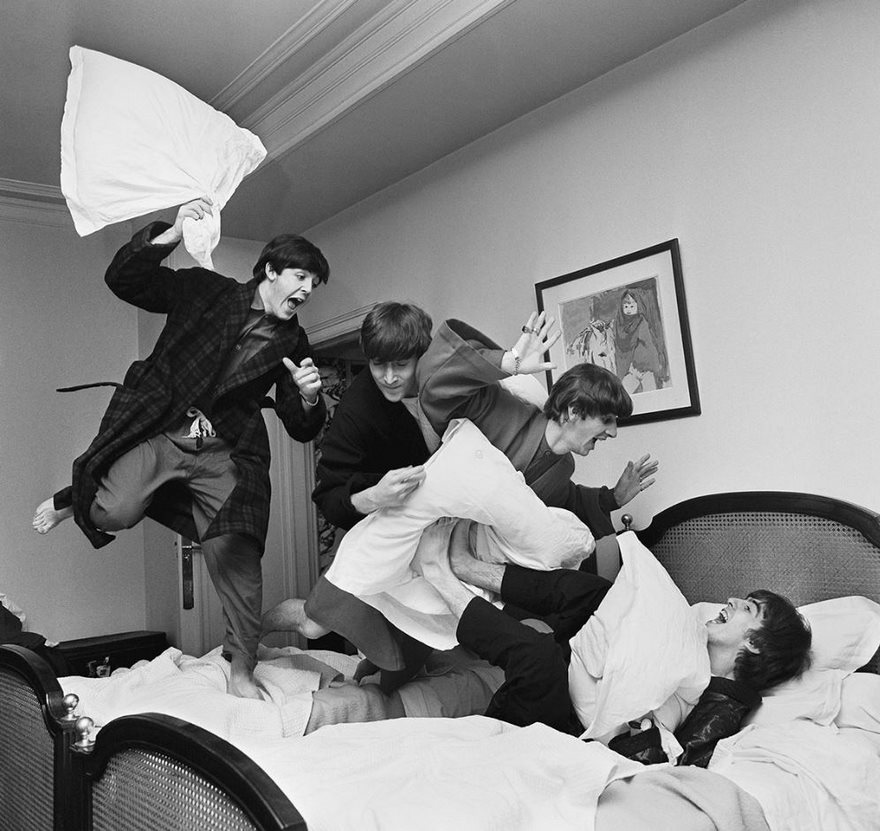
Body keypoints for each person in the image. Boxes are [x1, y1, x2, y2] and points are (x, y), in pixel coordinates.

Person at [31, 198, 329, 699]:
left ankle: (241, 667)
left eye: (313, 286)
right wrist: (167, 237)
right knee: (114, 512)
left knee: (236, 553)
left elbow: (301, 428)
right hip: (167, 425)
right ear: (270, 270)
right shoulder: (206, 291)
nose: (306, 290)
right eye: (300, 277)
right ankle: (74, 497)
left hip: (221, 446)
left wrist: (308, 396)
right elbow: (125, 281)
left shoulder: (295, 344)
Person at [423, 520, 812, 764]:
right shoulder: (688, 640)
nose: (729, 601)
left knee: (537, 657)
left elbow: (658, 760)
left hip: (571, 729)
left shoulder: (722, 705)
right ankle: (468, 568)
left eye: (747, 607)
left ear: (757, 642)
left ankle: (440, 576)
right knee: (596, 593)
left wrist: (631, 724)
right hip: (584, 673)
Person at [264, 302, 439, 687]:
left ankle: (372, 676)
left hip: (429, 535)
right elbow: (328, 497)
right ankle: (249, 630)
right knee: (313, 625)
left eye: (401, 366)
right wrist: (376, 495)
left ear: (421, 357)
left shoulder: (443, 382)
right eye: (378, 365)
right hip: (372, 528)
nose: (390, 377)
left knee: (411, 637)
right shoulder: (358, 410)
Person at [418, 311, 659, 542]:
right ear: (573, 411)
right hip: (433, 532)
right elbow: (436, 392)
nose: (613, 432)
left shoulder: (564, 466)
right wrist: (506, 362)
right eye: (607, 420)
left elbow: (569, 501)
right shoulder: (500, 409)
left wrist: (613, 498)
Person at [613, 289, 666, 394]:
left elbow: (649, 345)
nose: (628, 309)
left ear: (638, 307)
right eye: (626, 307)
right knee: (622, 395)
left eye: (632, 306)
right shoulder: (619, 325)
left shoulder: (641, 322)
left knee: (652, 394)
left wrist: (654, 366)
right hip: (631, 370)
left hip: (646, 369)